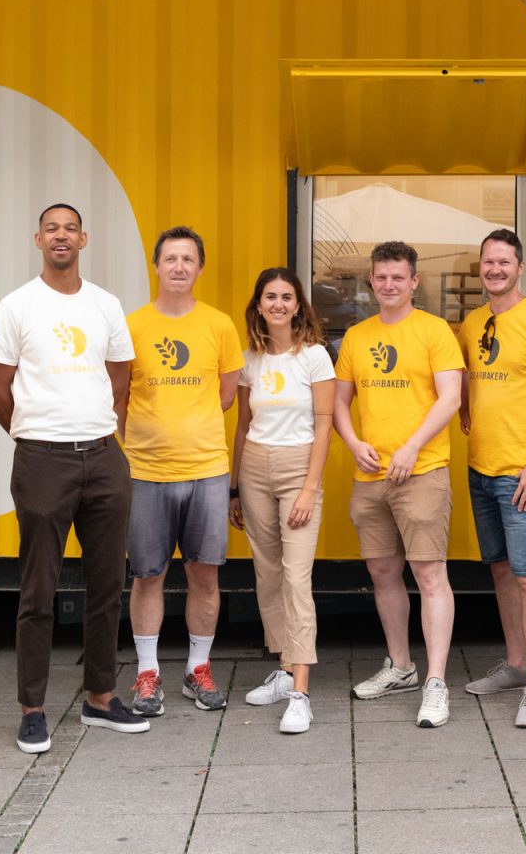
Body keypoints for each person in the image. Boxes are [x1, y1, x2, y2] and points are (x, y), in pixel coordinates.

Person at [0, 203, 149, 750]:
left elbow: (120, 380)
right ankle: (32, 707)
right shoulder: (17, 306)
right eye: (51, 228)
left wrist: (102, 433)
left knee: (107, 585)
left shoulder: (105, 305)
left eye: (70, 228)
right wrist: (35, 435)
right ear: (38, 240)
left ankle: (100, 698)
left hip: (104, 458)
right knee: (39, 590)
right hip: (41, 460)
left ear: (85, 238)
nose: (61, 236)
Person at [334, 241, 464, 728]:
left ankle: (435, 682)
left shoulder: (434, 332)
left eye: (398, 277)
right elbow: (340, 404)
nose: (389, 285)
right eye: (381, 277)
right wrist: (351, 442)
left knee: (430, 576)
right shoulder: (356, 336)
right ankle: (401, 668)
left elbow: (450, 398)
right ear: (372, 281)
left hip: (423, 471)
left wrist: (410, 448)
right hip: (370, 475)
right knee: (383, 574)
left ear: (414, 282)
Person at [124, 226, 244, 717]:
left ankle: (198, 669)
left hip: (207, 470)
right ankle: (147, 673)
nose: (178, 267)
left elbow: (227, 393)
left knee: (205, 574)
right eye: (169, 258)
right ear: (156, 266)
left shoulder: (219, 326)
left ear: (199, 268)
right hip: (146, 471)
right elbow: (118, 395)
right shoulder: (132, 325)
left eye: (187, 259)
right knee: (147, 575)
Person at [457, 230, 526, 728]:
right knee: (501, 570)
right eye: (488, 262)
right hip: (481, 468)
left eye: (504, 262)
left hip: (522, 474)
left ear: (520, 268)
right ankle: (516, 662)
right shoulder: (472, 321)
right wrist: (464, 409)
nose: (495, 270)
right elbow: (465, 378)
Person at [227, 267, 335, 734]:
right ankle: (284, 667)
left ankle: (301, 691)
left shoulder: (313, 357)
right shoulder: (249, 359)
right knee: (267, 573)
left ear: (298, 306)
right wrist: (234, 487)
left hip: (297, 468)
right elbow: (242, 427)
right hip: (254, 467)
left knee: (296, 577)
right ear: (258, 304)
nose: (278, 304)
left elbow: (325, 424)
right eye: (270, 296)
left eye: (286, 297)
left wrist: (310, 487)